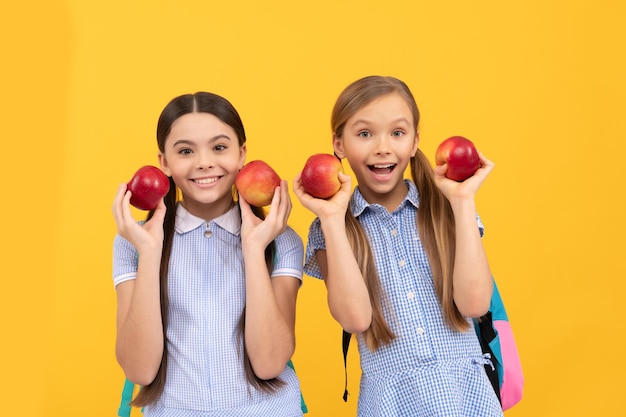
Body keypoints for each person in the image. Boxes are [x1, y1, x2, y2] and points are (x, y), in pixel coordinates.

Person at [293, 76, 503, 416]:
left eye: (397, 133)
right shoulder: (330, 228)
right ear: (339, 144)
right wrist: (331, 220)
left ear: (415, 139)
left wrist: (463, 201)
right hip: (390, 402)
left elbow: (475, 303)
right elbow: (355, 319)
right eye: (364, 134)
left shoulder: (447, 209)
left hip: (466, 396)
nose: (382, 147)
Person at [112, 92, 305, 416]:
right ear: (164, 163)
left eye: (219, 147)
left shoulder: (281, 241)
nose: (204, 162)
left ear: (242, 154)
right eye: (186, 150)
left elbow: (270, 362)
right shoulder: (135, 242)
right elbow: (139, 370)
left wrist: (254, 249)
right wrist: (149, 253)